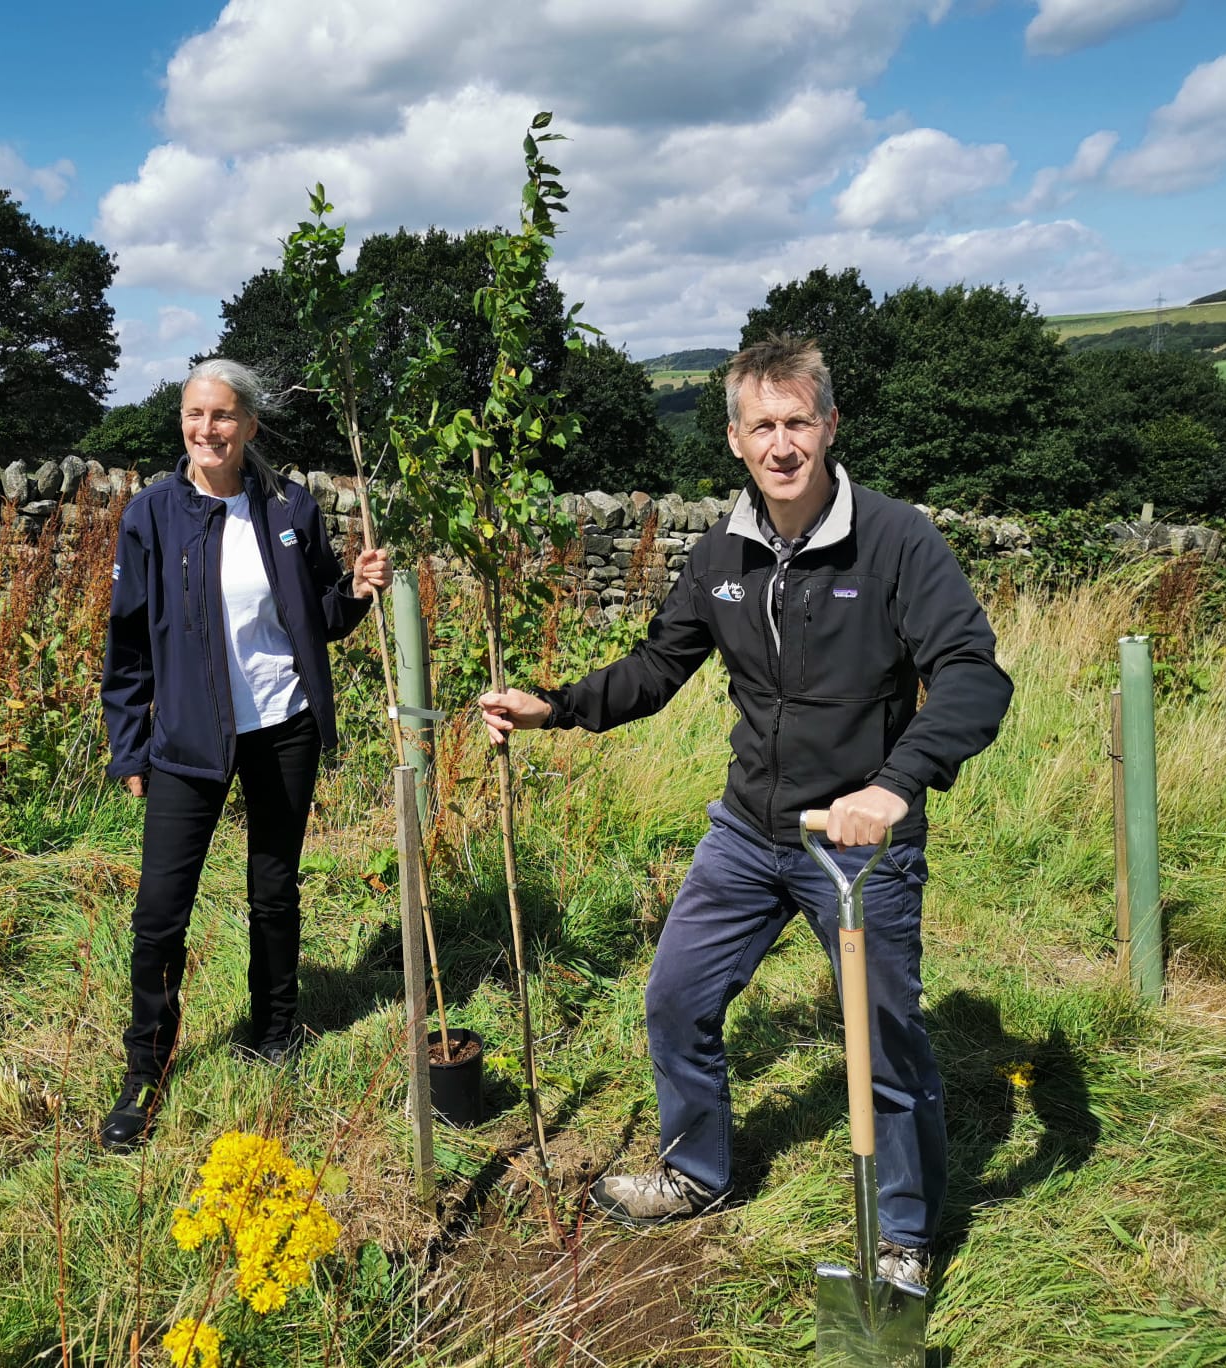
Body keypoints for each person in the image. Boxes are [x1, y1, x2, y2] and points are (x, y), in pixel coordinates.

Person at [479, 335, 1012, 1281]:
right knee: (676, 997)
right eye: (762, 424)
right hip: (746, 834)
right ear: (732, 438)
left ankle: (903, 1236)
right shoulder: (722, 552)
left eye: (798, 421)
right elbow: (657, 667)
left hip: (855, 845)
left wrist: (892, 787)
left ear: (830, 425)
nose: (781, 444)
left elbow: (972, 675)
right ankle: (697, 1171)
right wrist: (556, 705)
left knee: (883, 1041)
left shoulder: (895, 540)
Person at [97, 357, 392, 1152]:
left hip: (283, 727)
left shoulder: (290, 508)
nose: (207, 430)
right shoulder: (153, 514)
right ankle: (144, 1071)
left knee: (274, 886)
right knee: (161, 910)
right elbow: (127, 643)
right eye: (195, 415)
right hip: (188, 741)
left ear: (250, 424)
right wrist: (130, 744)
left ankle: (276, 1028)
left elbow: (320, 616)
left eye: (223, 415)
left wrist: (357, 590)